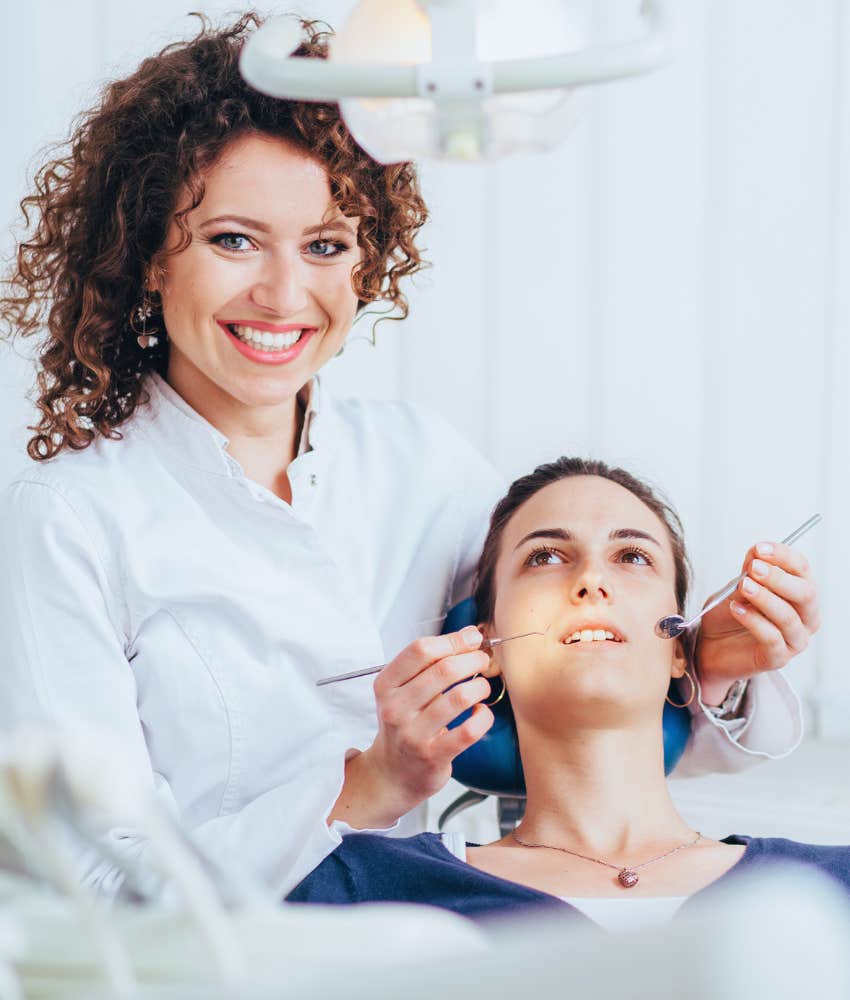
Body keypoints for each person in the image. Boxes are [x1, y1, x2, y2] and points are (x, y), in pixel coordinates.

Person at [0, 14, 818, 900]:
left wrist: (708, 660)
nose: (283, 296)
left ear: (368, 262)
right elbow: (76, 879)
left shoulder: (424, 468)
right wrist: (369, 785)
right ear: (149, 257)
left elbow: (585, 710)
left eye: (325, 246)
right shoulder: (69, 519)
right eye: (233, 239)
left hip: (420, 938)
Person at [287, 457, 841, 930]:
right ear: (489, 646)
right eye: (545, 556)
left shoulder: (828, 888)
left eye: (632, 557)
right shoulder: (368, 889)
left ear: (680, 646)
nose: (591, 581)